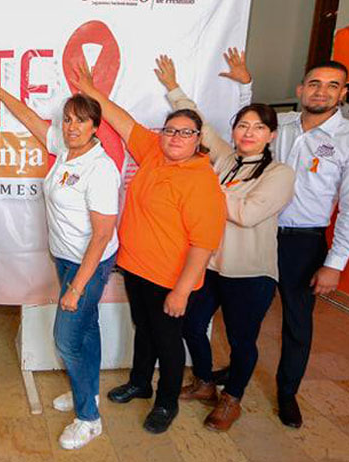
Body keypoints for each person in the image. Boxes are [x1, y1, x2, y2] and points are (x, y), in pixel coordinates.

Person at [0, 58, 121, 450]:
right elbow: (28, 117)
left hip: (91, 262)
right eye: (67, 119)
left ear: (95, 127)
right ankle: (85, 389)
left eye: (80, 121)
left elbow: (102, 236)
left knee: (68, 339)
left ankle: (89, 418)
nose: (71, 127)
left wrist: (75, 288)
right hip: (66, 257)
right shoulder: (65, 148)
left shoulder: (100, 169)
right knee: (87, 332)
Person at [71, 62, 227, 434]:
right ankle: (140, 382)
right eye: (170, 130)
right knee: (143, 329)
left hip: (170, 279)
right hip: (137, 269)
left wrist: (181, 291)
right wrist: (92, 90)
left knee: (169, 344)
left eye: (185, 132)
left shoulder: (202, 182)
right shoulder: (154, 153)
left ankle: (166, 402)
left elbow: (203, 246)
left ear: (198, 138)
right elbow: (122, 121)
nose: (175, 137)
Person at [154, 53, 295, 431]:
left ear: (271, 134)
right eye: (242, 126)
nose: (248, 133)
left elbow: (248, 215)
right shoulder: (226, 159)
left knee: (241, 340)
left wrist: (206, 190)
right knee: (190, 325)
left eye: (258, 127)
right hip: (212, 266)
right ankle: (204, 382)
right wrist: (173, 87)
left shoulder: (280, 173)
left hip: (250, 273)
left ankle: (232, 398)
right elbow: (198, 123)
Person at [270, 60, 349, 428]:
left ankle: (287, 392)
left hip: (304, 240)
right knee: (243, 310)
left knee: (297, 323)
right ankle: (236, 370)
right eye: (314, 83)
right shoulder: (278, 126)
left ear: (343, 94)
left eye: (332, 85)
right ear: (301, 89)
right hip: (259, 233)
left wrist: (335, 263)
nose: (321, 91)